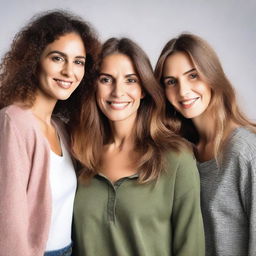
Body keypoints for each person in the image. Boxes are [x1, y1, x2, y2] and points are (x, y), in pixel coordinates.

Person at [71, 37, 205, 256]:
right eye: (106, 80)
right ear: (93, 86)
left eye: (130, 80)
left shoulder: (176, 156)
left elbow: (191, 246)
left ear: (144, 89)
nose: (117, 92)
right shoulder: (79, 152)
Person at [0, 10, 100, 256]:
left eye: (78, 61)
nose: (69, 72)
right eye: (58, 58)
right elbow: (9, 221)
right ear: (34, 61)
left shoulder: (61, 128)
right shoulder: (14, 121)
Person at [155, 33, 256, 256]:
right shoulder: (184, 152)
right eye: (171, 82)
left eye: (193, 76)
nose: (182, 91)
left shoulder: (246, 152)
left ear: (212, 76)